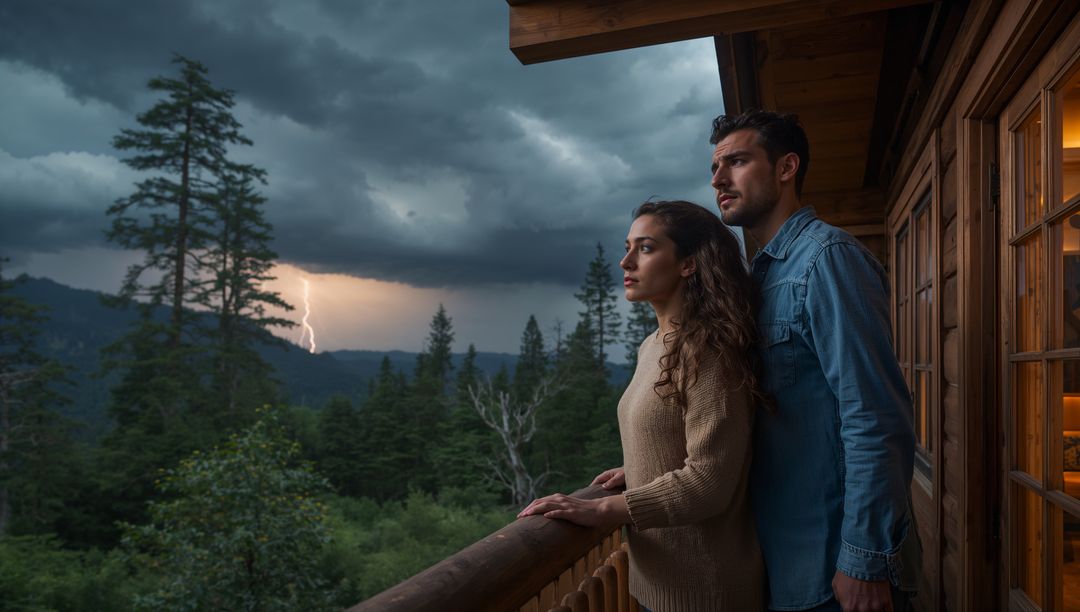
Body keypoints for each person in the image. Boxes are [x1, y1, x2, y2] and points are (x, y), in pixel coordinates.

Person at [708, 109, 920, 612]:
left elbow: (875, 417)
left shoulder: (827, 259)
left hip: (835, 571)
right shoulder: (761, 278)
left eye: (736, 161)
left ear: (786, 168)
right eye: (715, 168)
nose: (718, 179)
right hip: (783, 561)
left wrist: (863, 559)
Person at [518, 200, 766, 611]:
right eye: (627, 246)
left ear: (688, 263)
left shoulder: (709, 352)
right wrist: (640, 468)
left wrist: (601, 508)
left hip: (707, 592)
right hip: (656, 584)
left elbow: (709, 482)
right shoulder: (652, 346)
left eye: (646, 248)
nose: (625, 261)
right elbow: (674, 434)